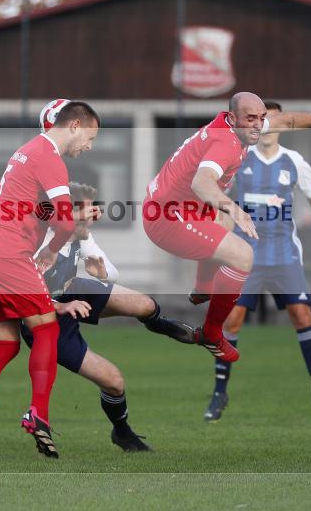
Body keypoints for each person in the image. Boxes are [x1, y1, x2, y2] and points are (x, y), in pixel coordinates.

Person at [142, 91, 311, 364]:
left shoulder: (242, 126)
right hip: (166, 217)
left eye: (262, 118)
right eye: (252, 119)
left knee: (222, 222)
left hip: (179, 205)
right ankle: (211, 333)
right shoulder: (227, 142)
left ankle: (202, 287)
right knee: (242, 255)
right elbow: (202, 182)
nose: (259, 124)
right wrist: (232, 207)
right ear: (233, 118)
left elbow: (287, 121)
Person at [0, 101, 100, 459]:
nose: (88, 146)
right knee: (46, 329)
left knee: (4, 344)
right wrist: (54, 247)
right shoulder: (50, 156)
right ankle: (38, 414)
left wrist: (72, 214)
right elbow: (61, 224)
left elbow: (33, 208)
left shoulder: (26, 153)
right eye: (90, 137)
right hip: (6, 251)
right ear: (74, 125)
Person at [21, 182, 194, 452]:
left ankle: (164, 326)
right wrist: (60, 305)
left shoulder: (79, 234)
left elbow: (110, 271)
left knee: (145, 304)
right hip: (45, 320)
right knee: (114, 382)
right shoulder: (41, 244)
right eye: (88, 210)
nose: (95, 215)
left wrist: (101, 274)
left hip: (75, 292)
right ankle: (122, 434)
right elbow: (25, 296)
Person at [203, 100, 311, 421]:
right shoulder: (239, 159)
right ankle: (219, 394)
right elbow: (220, 197)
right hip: (247, 256)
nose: (265, 126)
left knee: (302, 317)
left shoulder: (293, 161)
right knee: (231, 320)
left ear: (281, 125)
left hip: (284, 255)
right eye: (260, 120)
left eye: (272, 120)